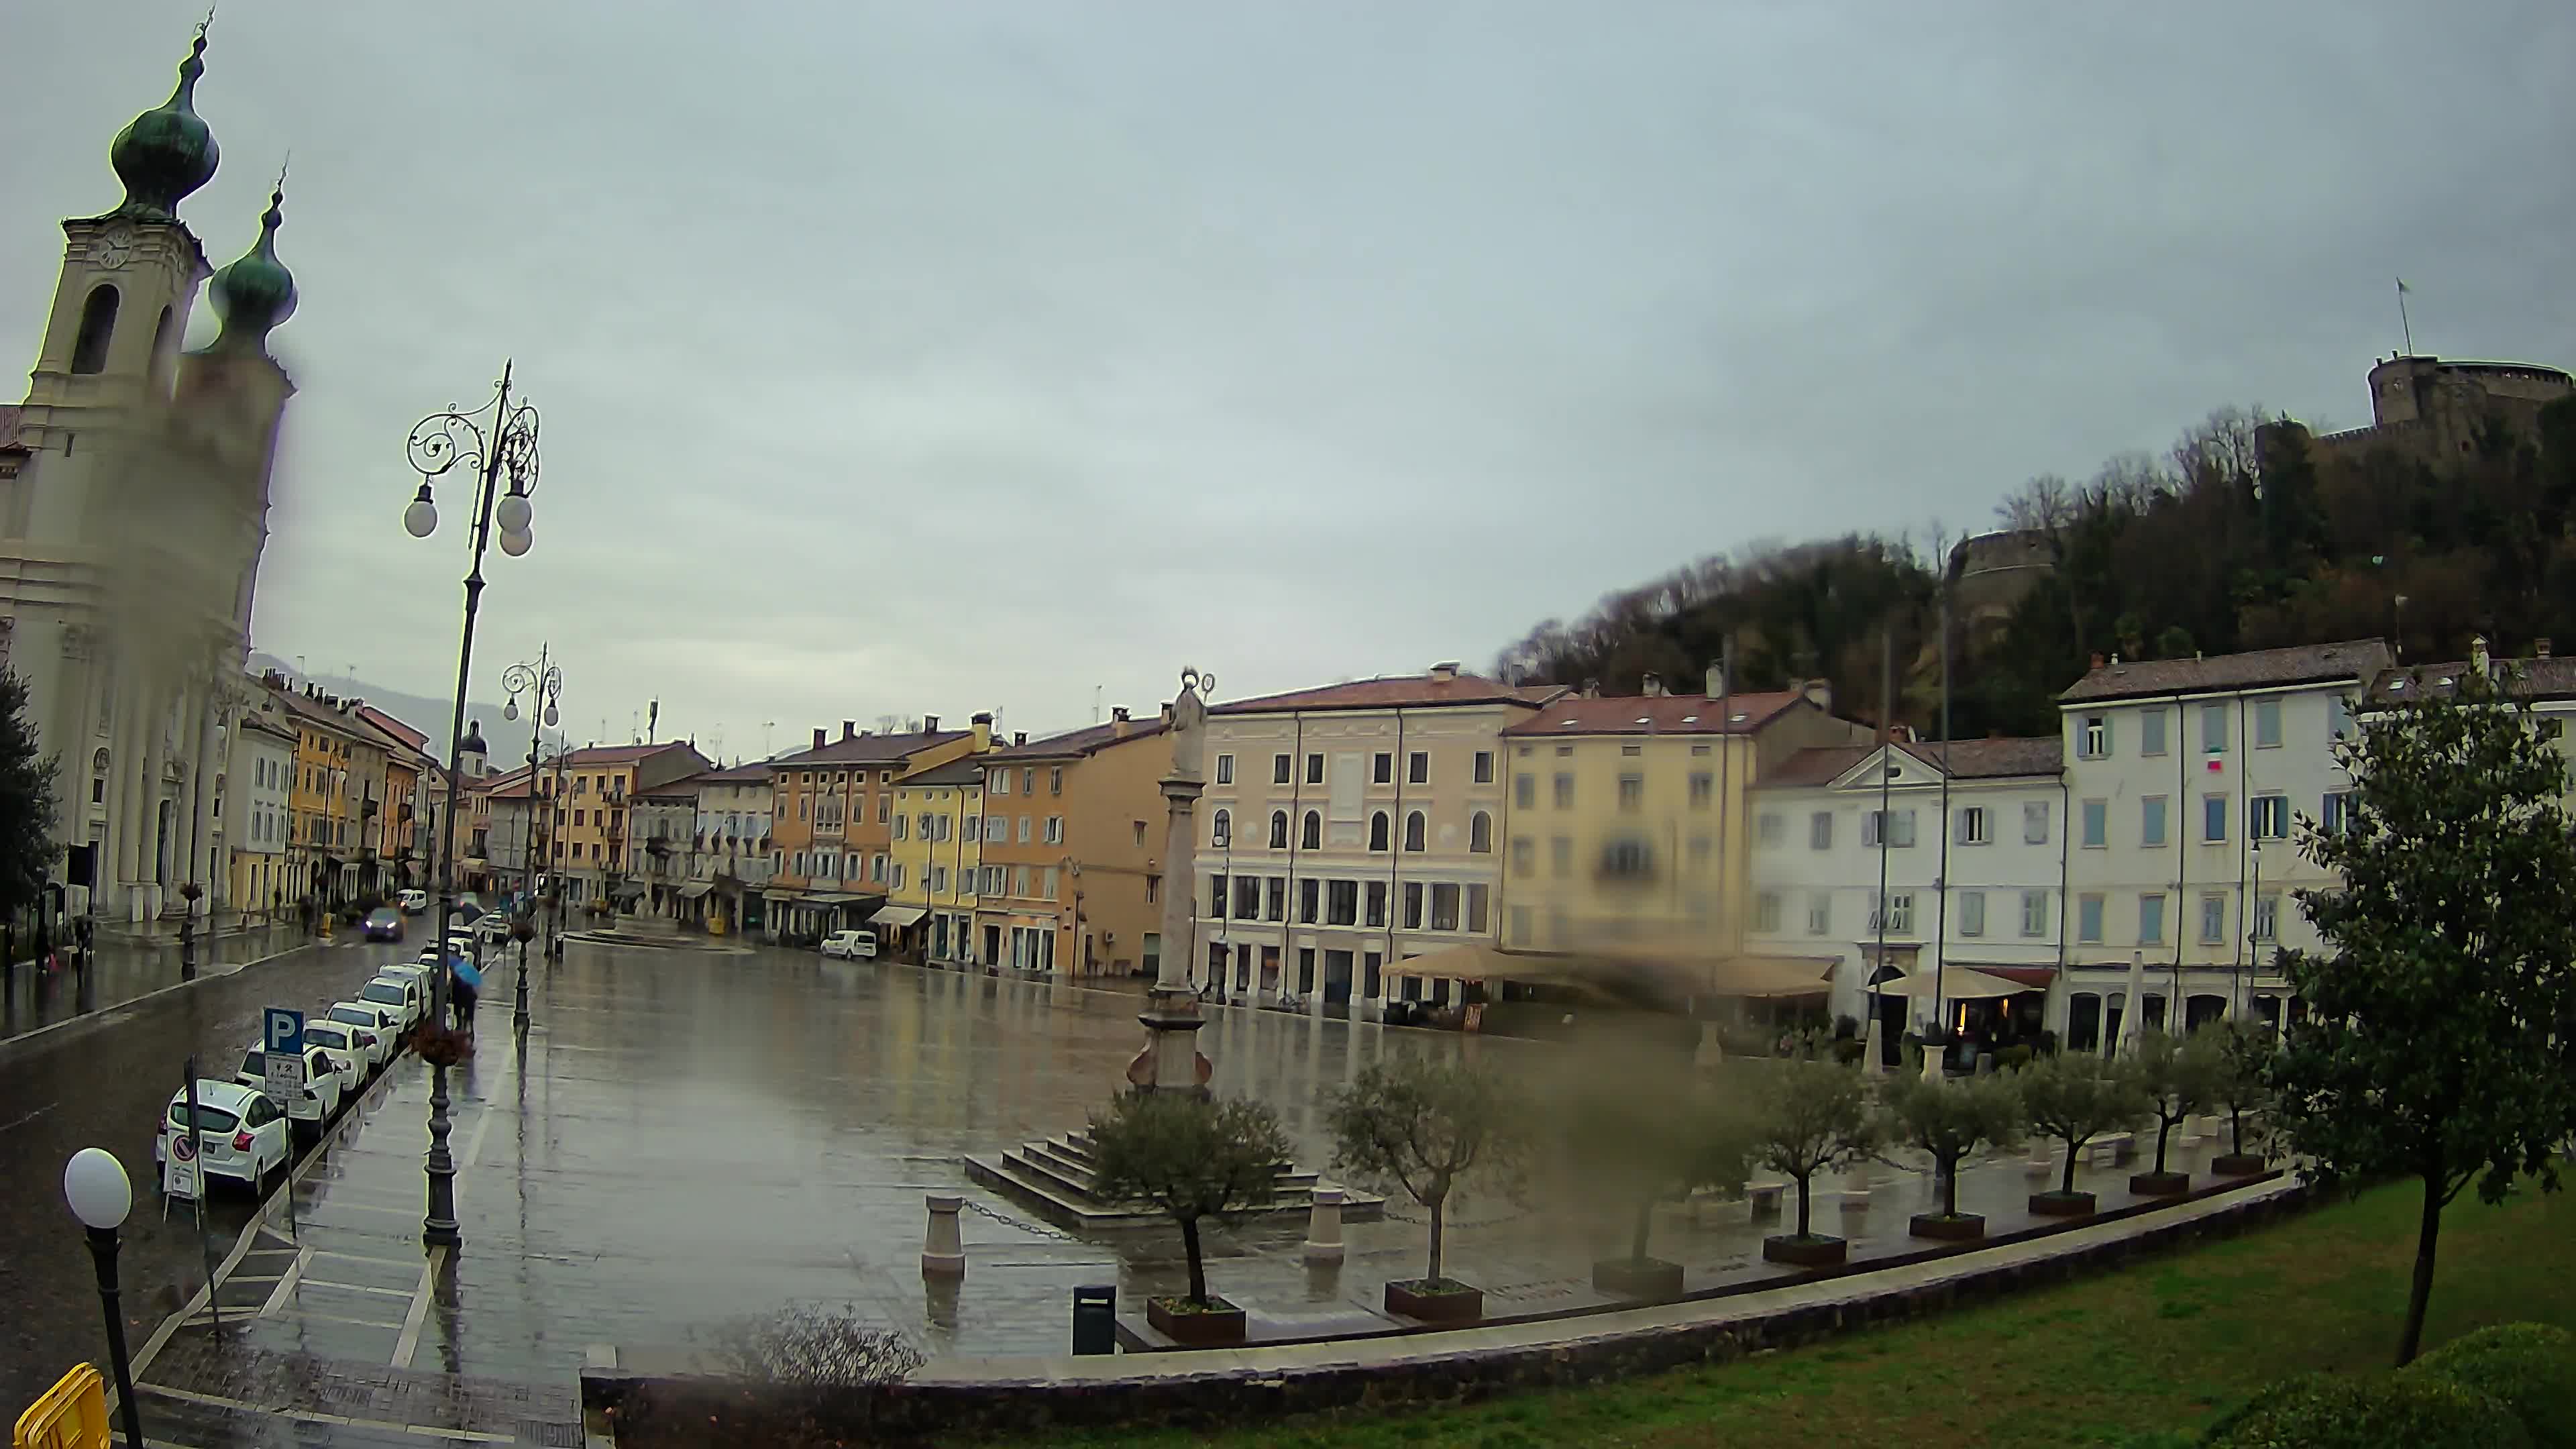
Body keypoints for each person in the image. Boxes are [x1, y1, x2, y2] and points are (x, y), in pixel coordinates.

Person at [451, 952, 482, 1034]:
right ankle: (465, 1029)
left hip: (463, 997)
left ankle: (463, 1028)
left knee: (464, 1016)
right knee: (466, 1016)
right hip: (465, 997)